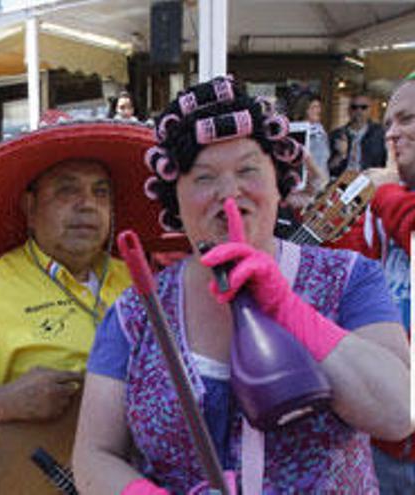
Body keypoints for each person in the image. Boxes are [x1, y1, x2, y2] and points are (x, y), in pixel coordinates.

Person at [72, 76, 412, 493]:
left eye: (248, 169)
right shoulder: (134, 314)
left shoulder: (349, 278)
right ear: (173, 198)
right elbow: (93, 456)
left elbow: (397, 414)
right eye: (203, 177)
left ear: (280, 182)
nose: (229, 193)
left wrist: (288, 309)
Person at [0, 120, 165, 441]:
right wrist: (6, 402)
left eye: (100, 192)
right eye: (67, 189)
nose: (87, 204)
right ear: (30, 209)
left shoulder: (138, 281)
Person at [333, 75, 415, 494]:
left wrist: (382, 194)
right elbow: (343, 274)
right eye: (389, 123)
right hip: (383, 444)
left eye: (408, 119)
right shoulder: (384, 213)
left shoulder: (391, 203)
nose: (392, 133)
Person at [329, 93, 387, 179]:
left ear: (370, 110)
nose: (358, 111)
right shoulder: (336, 135)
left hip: (370, 184)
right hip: (342, 185)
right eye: (354, 107)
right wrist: (340, 155)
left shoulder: (380, 134)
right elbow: (328, 169)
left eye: (364, 107)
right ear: (348, 110)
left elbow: (388, 164)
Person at [290, 94, 331, 177]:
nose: (318, 110)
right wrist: (319, 176)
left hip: (322, 183)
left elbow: (324, 161)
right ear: (304, 109)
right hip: (307, 184)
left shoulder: (321, 132)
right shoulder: (297, 131)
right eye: (313, 107)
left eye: (319, 107)